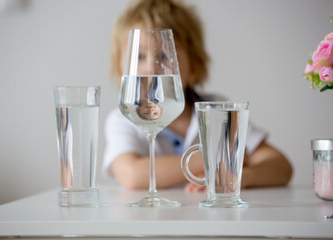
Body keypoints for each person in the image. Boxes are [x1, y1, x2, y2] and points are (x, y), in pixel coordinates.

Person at [102, 0, 293, 192]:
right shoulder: (123, 118)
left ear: (193, 66)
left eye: (164, 56)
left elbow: (280, 166)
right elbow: (132, 175)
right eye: (139, 57)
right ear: (121, 71)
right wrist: (212, 159)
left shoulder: (216, 109)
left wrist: (240, 177)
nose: (152, 68)